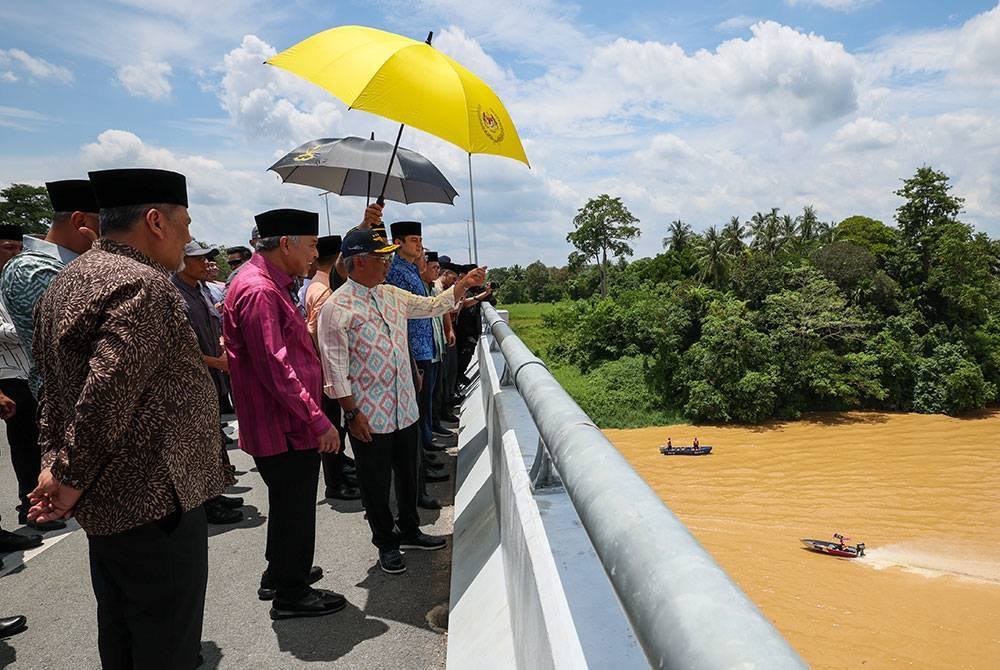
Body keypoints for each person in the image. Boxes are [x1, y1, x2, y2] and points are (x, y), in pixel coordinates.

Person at [27, 167, 231, 669]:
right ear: (156, 221)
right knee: (165, 642)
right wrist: (69, 476)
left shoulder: (69, 280)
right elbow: (104, 395)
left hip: (109, 500)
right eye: (185, 222)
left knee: (122, 631)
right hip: (155, 498)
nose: (188, 236)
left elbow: (53, 388)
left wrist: (55, 464)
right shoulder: (143, 285)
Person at [318, 227, 487, 575]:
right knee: (376, 482)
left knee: (409, 474)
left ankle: (409, 529)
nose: (388, 263)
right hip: (368, 415)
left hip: (405, 408)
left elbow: (431, 306)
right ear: (360, 262)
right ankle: (386, 542)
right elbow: (334, 371)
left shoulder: (391, 294)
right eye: (382, 258)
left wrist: (462, 285)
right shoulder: (336, 308)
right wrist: (352, 413)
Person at [223, 208, 344, 620]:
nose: (315, 255)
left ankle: (280, 571)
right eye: (311, 245)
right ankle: (292, 595)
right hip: (286, 424)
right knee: (296, 508)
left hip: (282, 421)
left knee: (287, 502)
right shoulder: (259, 290)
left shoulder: (270, 284)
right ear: (286, 243)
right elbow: (276, 368)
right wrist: (318, 419)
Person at [0, 179, 100, 398]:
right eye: (107, 226)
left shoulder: (69, 265)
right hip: (63, 403)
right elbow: (81, 340)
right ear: (80, 221)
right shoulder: (31, 269)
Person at [171, 241, 244, 525]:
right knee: (199, 444)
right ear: (182, 261)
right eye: (198, 259)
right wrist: (216, 362)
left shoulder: (200, 290)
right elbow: (179, 349)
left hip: (212, 376)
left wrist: (222, 345)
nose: (205, 264)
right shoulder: (175, 294)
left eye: (206, 258)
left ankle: (216, 492)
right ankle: (207, 503)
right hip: (194, 380)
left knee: (213, 439)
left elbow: (213, 328)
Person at [0, 224, 63, 540]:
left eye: (17, 247)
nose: (15, 253)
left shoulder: (20, 278)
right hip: (10, 379)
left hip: (32, 372)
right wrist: (32, 324)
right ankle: (30, 506)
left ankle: (47, 501)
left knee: (43, 445)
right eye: (8, 247)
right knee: (24, 448)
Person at [384, 222, 449, 498]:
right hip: (411, 354)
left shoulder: (412, 270)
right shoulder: (397, 273)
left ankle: (422, 472)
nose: (419, 244)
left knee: (420, 415)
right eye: (413, 239)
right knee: (412, 423)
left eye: (420, 239)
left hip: (423, 351)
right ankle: (415, 488)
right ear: (397, 242)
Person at [303, 234, 360, 502]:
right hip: (328, 371)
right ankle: (335, 483)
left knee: (336, 426)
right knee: (335, 427)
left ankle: (338, 474)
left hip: (323, 368)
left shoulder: (316, 284)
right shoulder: (325, 290)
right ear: (340, 258)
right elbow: (317, 331)